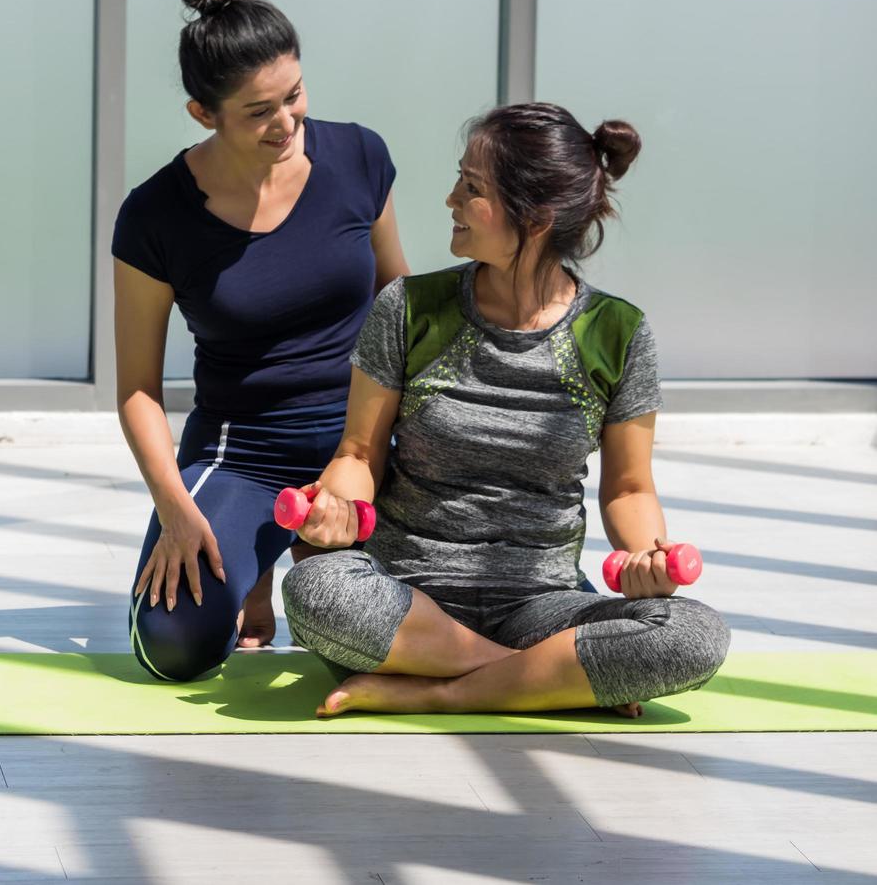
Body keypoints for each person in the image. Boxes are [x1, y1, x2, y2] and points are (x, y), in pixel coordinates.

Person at [280, 103, 730, 717]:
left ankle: (437, 692)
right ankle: (541, 681)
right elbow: (357, 454)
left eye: (471, 188)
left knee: (695, 635)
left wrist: (649, 558)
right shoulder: (409, 307)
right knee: (316, 590)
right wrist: (336, 507)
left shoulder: (618, 331)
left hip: (542, 606)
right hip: (407, 599)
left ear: (536, 217)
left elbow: (628, 488)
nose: (449, 199)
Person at [113, 0, 409, 682]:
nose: (287, 123)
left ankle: (301, 550)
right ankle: (259, 559)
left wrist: (387, 450)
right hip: (243, 450)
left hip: (364, 440)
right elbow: (138, 390)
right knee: (175, 645)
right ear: (201, 112)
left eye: (295, 95)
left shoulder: (359, 158)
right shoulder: (155, 216)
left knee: (446, 609)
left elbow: (400, 304)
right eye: (259, 111)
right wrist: (177, 508)